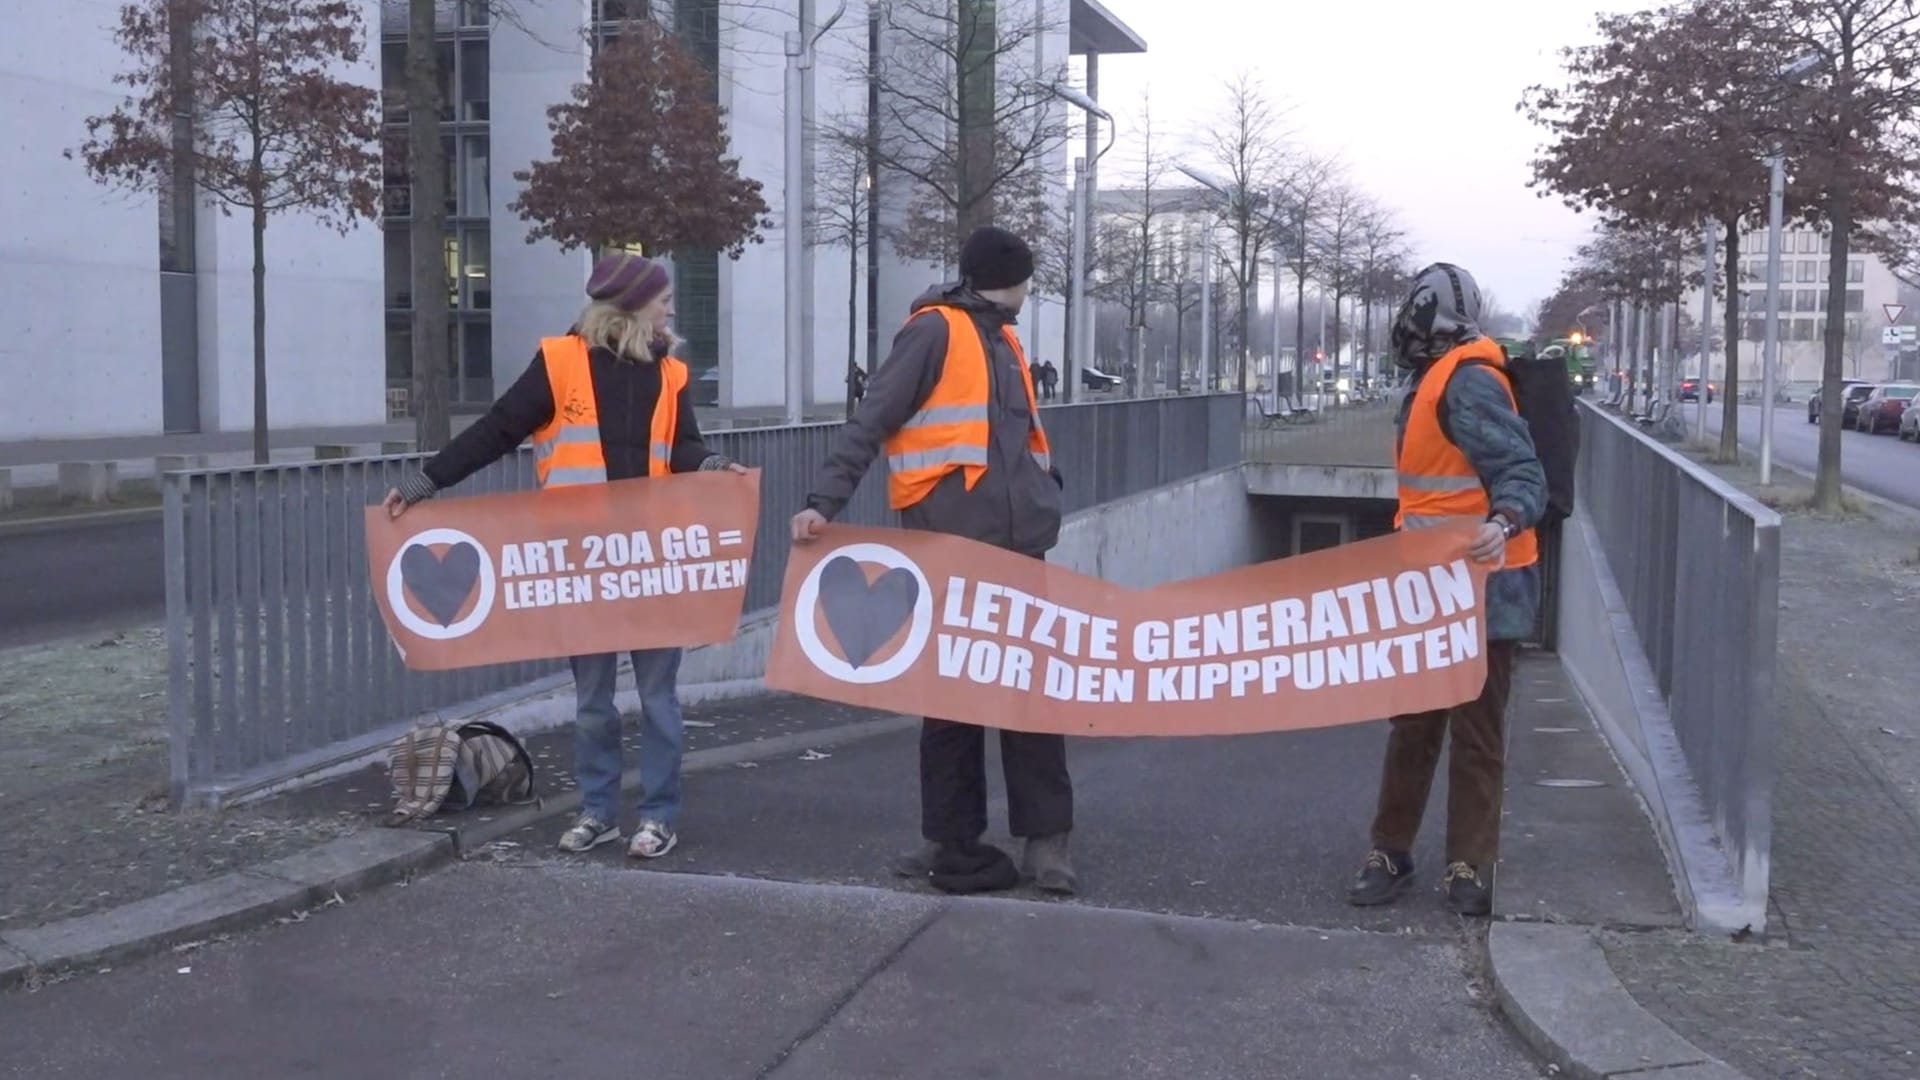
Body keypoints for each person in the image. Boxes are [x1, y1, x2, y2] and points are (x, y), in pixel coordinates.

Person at [382, 252, 748, 860]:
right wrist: (428, 481)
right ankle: (599, 812)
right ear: (630, 305)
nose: (671, 307)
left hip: (652, 558)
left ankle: (658, 816)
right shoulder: (560, 362)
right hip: (582, 563)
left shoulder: (671, 373)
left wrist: (713, 466)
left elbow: (683, 446)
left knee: (659, 699)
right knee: (592, 703)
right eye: (662, 297)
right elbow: (498, 429)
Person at [789, 225, 1076, 895]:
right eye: (1029, 279)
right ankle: (952, 837)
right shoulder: (936, 332)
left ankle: (1046, 842)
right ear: (1012, 279)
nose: (1031, 291)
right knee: (952, 702)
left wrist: (1046, 493)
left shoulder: (1001, 336)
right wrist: (822, 502)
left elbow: (1019, 439)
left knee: (1030, 697)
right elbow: (873, 419)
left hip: (1017, 545)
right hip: (949, 547)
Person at [1347, 262, 1547, 918]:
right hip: (1432, 590)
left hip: (1487, 593)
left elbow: (1522, 469)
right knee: (1415, 727)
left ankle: (1466, 864)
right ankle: (1394, 851)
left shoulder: (1468, 381)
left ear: (1431, 313)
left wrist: (1503, 519)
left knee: (1471, 732)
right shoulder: (1434, 379)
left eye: (1414, 307)